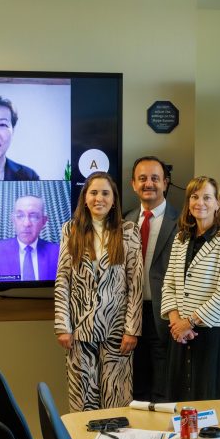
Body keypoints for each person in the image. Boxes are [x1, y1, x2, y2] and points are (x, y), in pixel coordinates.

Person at [55, 172, 142, 411]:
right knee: (83, 402)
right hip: (79, 331)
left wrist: (132, 330)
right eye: (93, 192)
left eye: (105, 193)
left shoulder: (129, 231)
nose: (99, 198)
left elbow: (135, 284)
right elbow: (62, 279)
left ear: (114, 200)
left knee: (117, 399)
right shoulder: (70, 230)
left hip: (118, 332)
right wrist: (63, 325)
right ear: (85, 198)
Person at [160, 176, 220, 401]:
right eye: (194, 197)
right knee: (181, 402)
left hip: (214, 334)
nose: (200, 202)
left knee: (212, 401)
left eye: (207, 197)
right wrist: (176, 323)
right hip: (180, 334)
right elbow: (168, 284)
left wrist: (188, 323)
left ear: (218, 203)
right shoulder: (181, 239)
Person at [124, 156, 178, 403]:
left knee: (164, 385)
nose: (149, 184)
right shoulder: (124, 221)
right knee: (135, 385)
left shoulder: (183, 222)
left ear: (165, 183)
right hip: (129, 317)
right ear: (133, 184)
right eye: (142, 178)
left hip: (165, 314)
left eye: (155, 178)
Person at [0, 195, 59, 281]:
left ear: (44, 221)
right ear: (13, 219)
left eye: (33, 216)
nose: (26, 223)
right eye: (20, 216)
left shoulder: (59, 253)